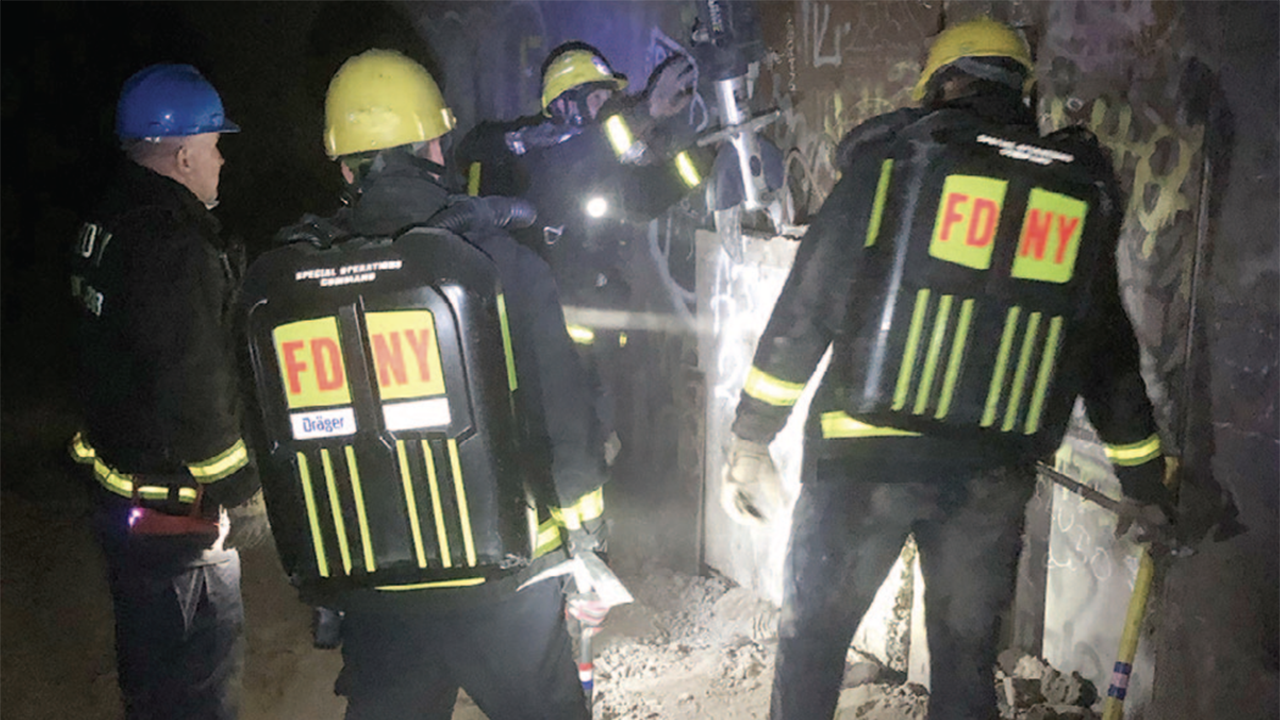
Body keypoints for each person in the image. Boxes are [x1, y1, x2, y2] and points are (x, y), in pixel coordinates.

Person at [720, 18, 1176, 720]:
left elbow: (806, 309)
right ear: (1022, 92)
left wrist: (752, 439)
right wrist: (1143, 481)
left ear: (940, 83)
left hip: (859, 461)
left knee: (813, 646)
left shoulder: (894, 164)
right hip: (989, 474)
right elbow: (1107, 355)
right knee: (965, 671)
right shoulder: (1072, 197)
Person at [243, 49, 607, 719]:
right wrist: (587, 534)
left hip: (377, 596)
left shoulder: (298, 281)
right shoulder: (503, 262)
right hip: (507, 584)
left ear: (346, 167)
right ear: (436, 145)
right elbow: (565, 421)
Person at [67, 63, 268, 720]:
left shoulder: (107, 221)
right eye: (215, 145)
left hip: (122, 506)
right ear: (183, 153)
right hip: (177, 527)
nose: (221, 159)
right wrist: (243, 489)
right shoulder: (171, 244)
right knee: (198, 689)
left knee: (152, 686)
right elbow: (194, 389)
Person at [456, 41, 710, 459]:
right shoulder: (540, 159)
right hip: (544, 345)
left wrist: (703, 160)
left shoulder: (593, 164)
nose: (609, 108)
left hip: (592, 344)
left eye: (613, 98)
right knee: (563, 450)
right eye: (597, 98)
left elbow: (641, 200)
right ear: (564, 107)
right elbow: (573, 165)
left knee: (595, 445)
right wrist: (647, 110)